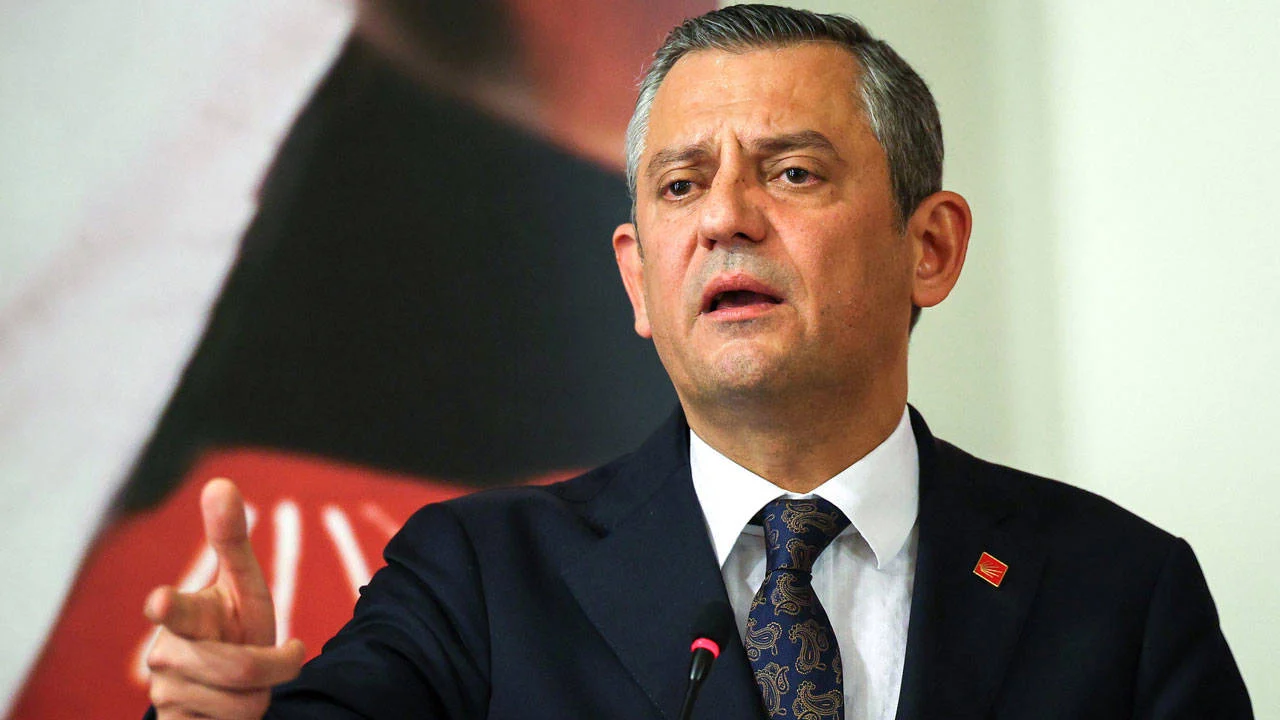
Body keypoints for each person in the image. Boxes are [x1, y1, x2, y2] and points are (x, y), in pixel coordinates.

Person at [141, 5, 1252, 719]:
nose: (725, 217)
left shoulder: (1120, 593)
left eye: (792, 172)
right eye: (681, 185)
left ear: (929, 247)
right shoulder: (478, 578)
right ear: (636, 277)